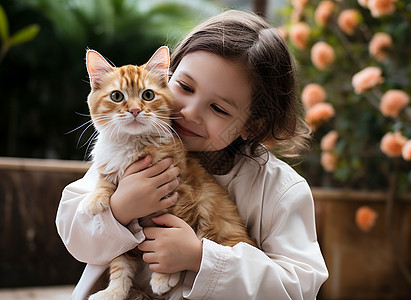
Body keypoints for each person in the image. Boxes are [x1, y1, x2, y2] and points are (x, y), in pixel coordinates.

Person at [56, 10, 328, 299]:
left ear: (252, 125)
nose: (189, 112)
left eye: (219, 108)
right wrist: (119, 209)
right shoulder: (126, 145)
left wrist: (201, 258)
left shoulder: (280, 189)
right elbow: (73, 235)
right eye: (184, 87)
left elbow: (299, 287)